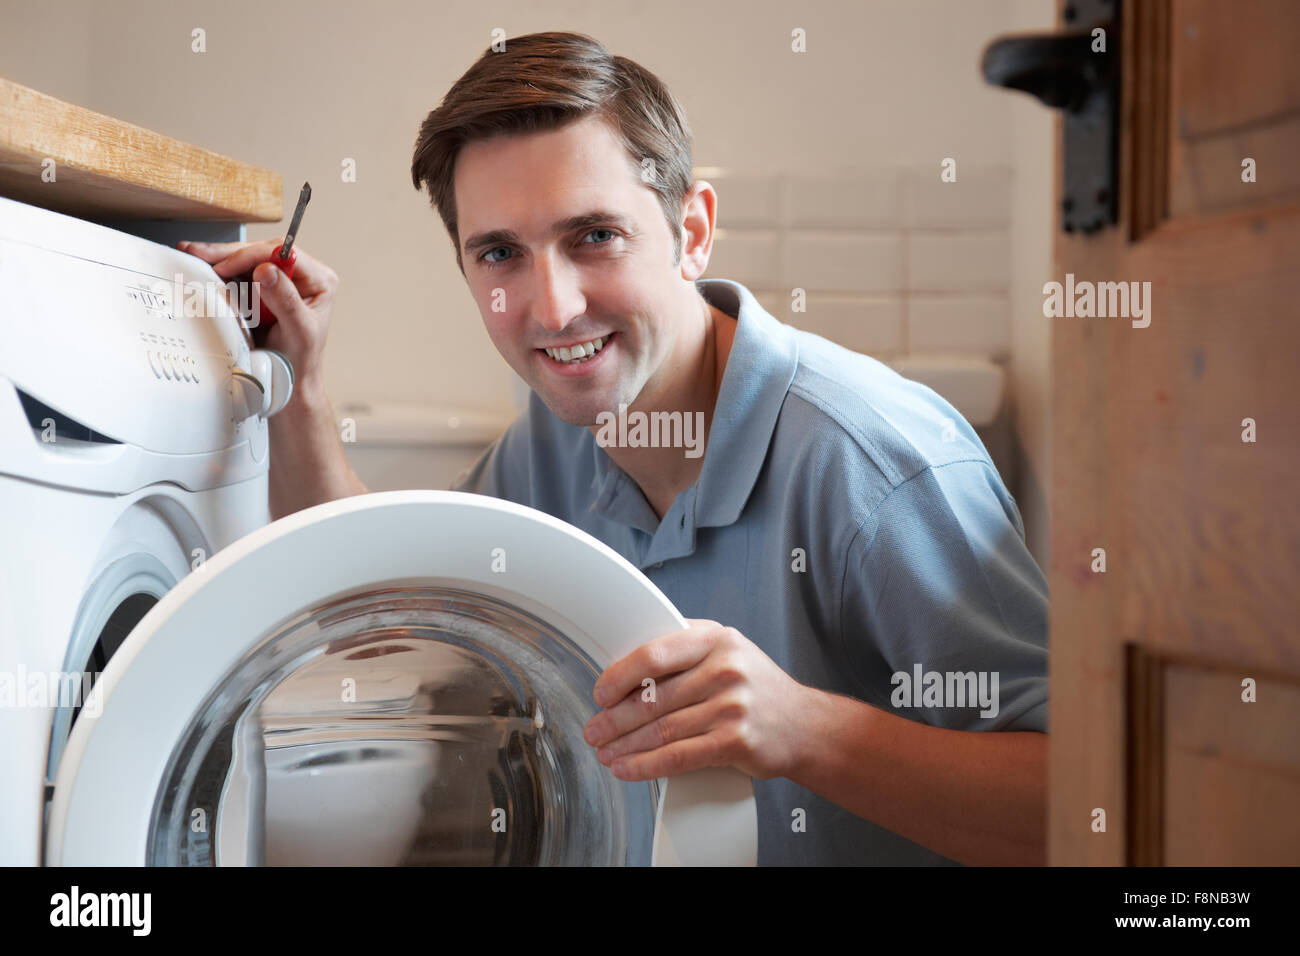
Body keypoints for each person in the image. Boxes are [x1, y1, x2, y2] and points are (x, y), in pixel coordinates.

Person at [179, 30, 1048, 866]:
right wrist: (298, 384)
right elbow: (389, 617)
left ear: (693, 232)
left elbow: (1087, 810)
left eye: (594, 235)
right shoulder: (557, 439)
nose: (551, 307)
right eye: (500, 255)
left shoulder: (873, 465)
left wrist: (804, 729)